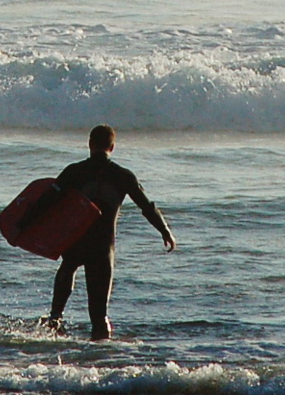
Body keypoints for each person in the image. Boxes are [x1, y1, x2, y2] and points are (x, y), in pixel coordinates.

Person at [21, 124, 175, 340]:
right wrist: (164, 231)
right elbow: (147, 206)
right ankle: (100, 362)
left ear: (90, 144)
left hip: (76, 241)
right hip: (103, 247)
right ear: (112, 147)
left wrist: (24, 225)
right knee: (100, 317)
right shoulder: (123, 176)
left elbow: (47, 201)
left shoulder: (74, 171)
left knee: (68, 268)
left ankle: (55, 321)